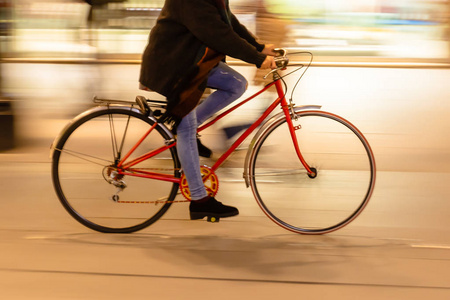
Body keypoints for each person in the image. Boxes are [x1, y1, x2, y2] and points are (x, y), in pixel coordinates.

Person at [139, 0, 277, 221]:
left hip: (191, 62)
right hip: (173, 67)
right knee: (187, 125)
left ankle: (184, 131)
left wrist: (259, 47)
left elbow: (228, 21)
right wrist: (257, 58)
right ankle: (199, 200)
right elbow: (218, 33)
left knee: (236, 84)